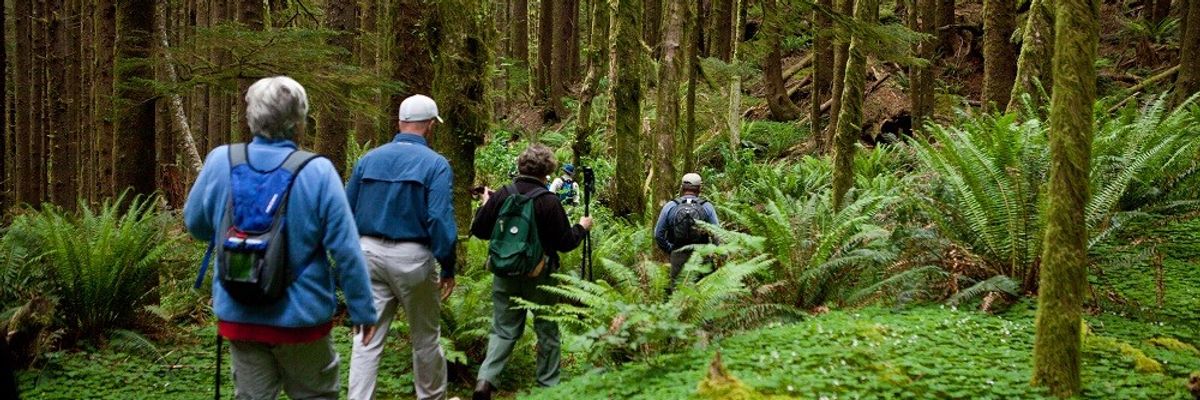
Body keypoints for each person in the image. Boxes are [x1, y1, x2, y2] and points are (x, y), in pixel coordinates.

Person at [184, 76, 378, 399]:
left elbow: (195, 224)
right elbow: (345, 249)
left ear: (251, 117)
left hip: (239, 313)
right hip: (302, 319)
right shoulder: (318, 171)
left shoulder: (221, 160)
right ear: (299, 121)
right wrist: (362, 310)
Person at [346, 95, 458, 400]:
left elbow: (347, 208)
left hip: (367, 252)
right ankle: (431, 397)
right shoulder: (436, 164)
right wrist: (448, 265)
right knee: (425, 337)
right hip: (412, 256)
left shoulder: (368, 159)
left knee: (366, 337)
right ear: (431, 126)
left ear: (400, 122)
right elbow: (438, 218)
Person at [469, 145, 594, 400]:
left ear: (521, 166)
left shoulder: (503, 194)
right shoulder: (549, 201)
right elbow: (565, 242)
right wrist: (581, 227)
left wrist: (486, 204)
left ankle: (486, 381)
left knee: (503, 329)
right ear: (548, 169)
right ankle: (547, 388)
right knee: (547, 329)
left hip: (504, 274)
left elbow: (480, 230)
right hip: (540, 276)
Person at [653, 173, 720, 294]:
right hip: (702, 255)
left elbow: (658, 234)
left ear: (682, 188)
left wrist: (671, 249)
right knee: (704, 294)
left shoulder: (670, 206)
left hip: (678, 255)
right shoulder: (707, 207)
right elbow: (717, 234)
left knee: (678, 293)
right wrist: (713, 252)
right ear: (699, 188)